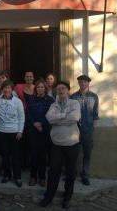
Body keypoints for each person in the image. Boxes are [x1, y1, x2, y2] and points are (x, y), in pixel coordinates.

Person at [39, 80, 81, 209]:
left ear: (68, 90)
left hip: (72, 144)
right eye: (58, 89)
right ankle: (49, 196)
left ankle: (67, 197)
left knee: (70, 172)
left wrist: (58, 119)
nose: (61, 91)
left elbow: (74, 118)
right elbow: (49, 118)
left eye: (63, 89)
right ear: (56, 92)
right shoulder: (53, 105)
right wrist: (64, 117)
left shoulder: (74, 103)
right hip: (56, 144)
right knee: (53, 171)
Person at [0, 80, 25, 187]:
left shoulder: (18, 102)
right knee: (5, 156)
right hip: (1, 132)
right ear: (2, 89)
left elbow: (22, 117)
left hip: (14, 132)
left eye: (9, 88)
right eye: (5, 88)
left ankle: (17, 177)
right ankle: (7, 175)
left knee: (16, 156)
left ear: (12, 89)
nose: (7, 90)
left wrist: (20, 131)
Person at [70, 74, 99, 186]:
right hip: (75, 129)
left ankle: (85, 175)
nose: (82, 83)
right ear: (78, 83)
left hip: (88, 129)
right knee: (73, 153)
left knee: (87, 153)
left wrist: (93, 128)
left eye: (84, 82)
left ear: (88, 83)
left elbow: (95, 113)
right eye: (80, 82)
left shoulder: (94, 96)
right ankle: (71, 174)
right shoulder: (73, 97)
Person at [26, 79, 54, 187]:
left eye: (42, 87)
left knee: (43, 155)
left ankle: (42, 177)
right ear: (35, 89)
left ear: (45, 88)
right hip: (33, 130)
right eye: (38, 87)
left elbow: (52, 114)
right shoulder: (31, 99)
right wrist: (34, 123)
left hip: (45, 130)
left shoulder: (50, 100)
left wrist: (41, 123)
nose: (40, 89)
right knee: (33, 154)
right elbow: (27, 113)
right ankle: (33, 176)